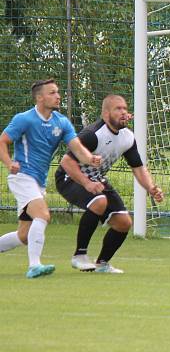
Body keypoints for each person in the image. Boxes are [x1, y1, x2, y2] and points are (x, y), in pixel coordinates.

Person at [0, 79, 102, 278]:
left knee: (24, 236)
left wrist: (90, 159)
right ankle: (34, 266)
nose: (58, 96)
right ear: (40, 97)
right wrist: (8, 163)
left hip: (38, 182)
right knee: (43, 215)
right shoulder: (25, 119)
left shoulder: (61, 122)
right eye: (53, 92)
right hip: (22, 177)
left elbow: (77, 148)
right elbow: (2, 141)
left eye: (58, 92)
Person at [55, 94, 164, 274]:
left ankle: (102, 264)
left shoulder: (128, 137)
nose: (123, 112)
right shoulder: (92, 135)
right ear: (106, 114)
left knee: (123, 222)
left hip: (96, 178)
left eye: (125, 108)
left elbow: (138, 167)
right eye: (118, 109)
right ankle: (79, 256)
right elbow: (66, 163)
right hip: (69, 178)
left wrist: (151, 188)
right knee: (99, 201)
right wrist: (87, 183)